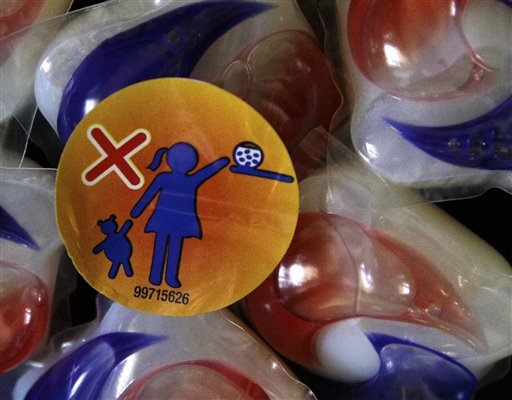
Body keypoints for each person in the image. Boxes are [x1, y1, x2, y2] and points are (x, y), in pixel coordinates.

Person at [131, 142, 229, 288]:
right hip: (166, 220)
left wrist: (223, 161)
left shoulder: (190, 180)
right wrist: (137, 210)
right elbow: (149, 194)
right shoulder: (165, 178)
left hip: (178, 222)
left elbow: (207, 172)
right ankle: (155, 276)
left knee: (174, 248)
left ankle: (169, 277)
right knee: (161, 246)